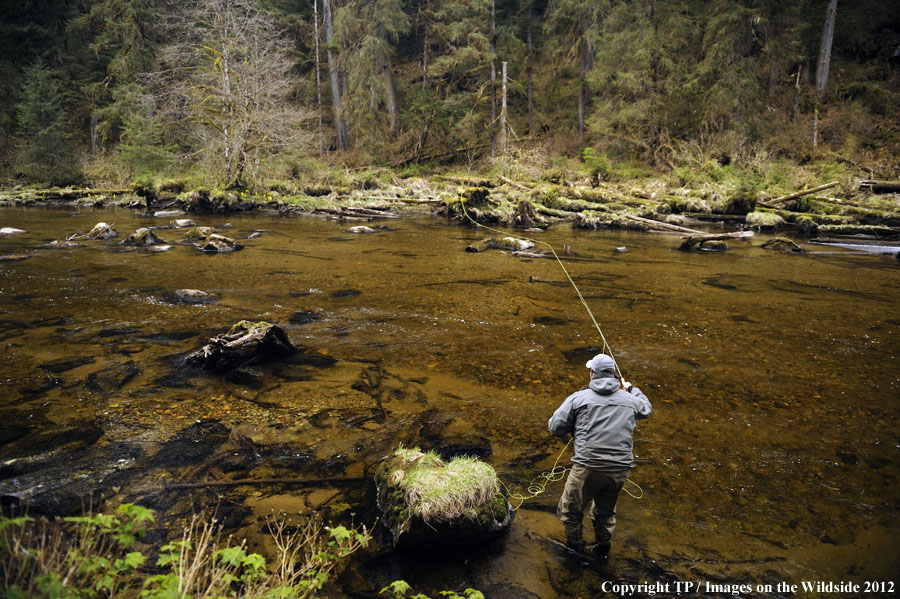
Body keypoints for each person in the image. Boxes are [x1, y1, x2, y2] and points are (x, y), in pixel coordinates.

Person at [548, 353, 652, 562]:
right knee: (605, 512)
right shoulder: (631, 399)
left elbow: (555, 428)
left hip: (588, 466)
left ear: (592, 373)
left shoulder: (578, 398)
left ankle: (574, 549)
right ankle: (602, 549)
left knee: (571, 510)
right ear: (613, 373)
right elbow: (647, 409)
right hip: (620, 469)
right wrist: (631, 388)